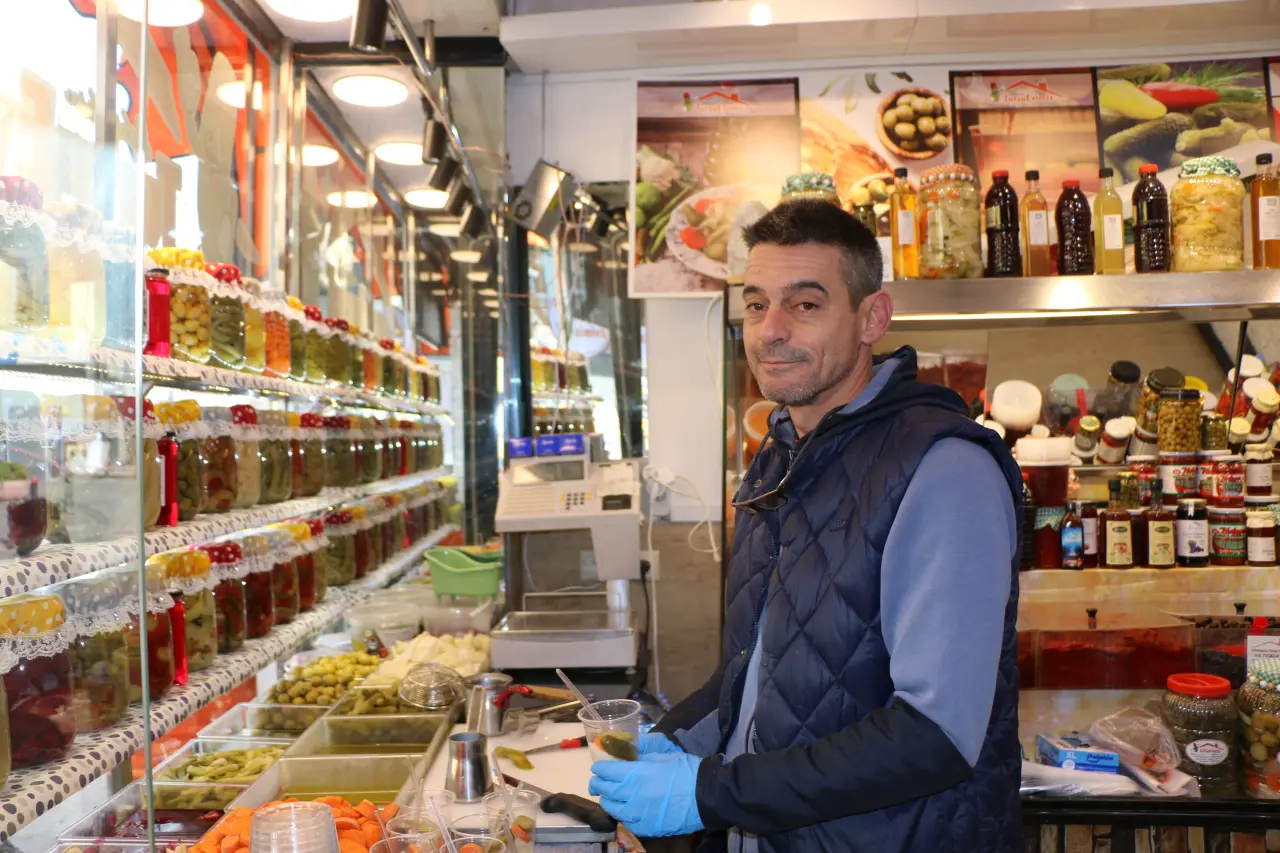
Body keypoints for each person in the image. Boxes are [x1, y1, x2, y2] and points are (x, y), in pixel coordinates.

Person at [589, 199, 1023, 852]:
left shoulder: (944, 468)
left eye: (806, 304)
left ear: (872, 317)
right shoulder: (779, 457)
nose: (770, 330)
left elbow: (934, 735)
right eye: (756, 304)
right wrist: (674, 741)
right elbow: (759, 668)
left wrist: (706, 793)